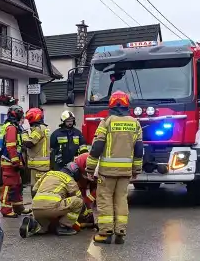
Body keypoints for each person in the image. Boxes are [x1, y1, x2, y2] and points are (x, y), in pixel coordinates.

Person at [88, 90, 144, 245]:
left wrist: (90, 168)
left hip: (107, 172)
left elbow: (97, 147)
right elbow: (139, 149)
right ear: (127, 104)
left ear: (111, 104)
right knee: (121, 200)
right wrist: (136, 170)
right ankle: (120, 232)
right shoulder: (135, 123)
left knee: (105, 200)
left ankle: (105, 233)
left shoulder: (106, 122)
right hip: (125, 172)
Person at [20, 161, 85, 237]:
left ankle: (33, 224)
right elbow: (78, 197)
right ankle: (64, 227)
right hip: (52, 208)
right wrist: (84, 214)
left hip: (35, 208)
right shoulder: (69, 179)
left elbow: (34, 189)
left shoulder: (49, 173)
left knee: (43, 228)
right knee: (78, 201)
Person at [0, 105, 26, 217]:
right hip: (10, 161)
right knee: (9, 186)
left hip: (12, 160)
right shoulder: (11, 128)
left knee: (17, 185)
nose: (22, 118)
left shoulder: (11, 126)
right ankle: (6, 210)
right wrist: (15, 162)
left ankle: (18, 207)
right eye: (21, 115)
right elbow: (11, 146)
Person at [21, 107, 51, 188]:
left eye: (29, 119)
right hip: (41, 165)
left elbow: (29, 143)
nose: (28, 121)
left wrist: (24, 133)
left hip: (39, 166)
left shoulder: (39, 129)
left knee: (36, 188)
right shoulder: (44, 128)